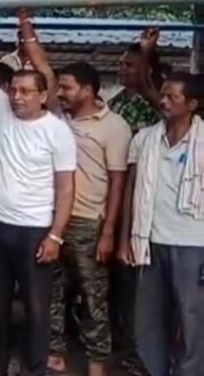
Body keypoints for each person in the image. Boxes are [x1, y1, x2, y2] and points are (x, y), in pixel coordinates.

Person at [0, 11, 77, 376]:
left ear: (43, 96)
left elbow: (66, 187)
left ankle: (34, 369)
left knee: (36, 308)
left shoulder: (57, 131)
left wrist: (55, 235)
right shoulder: (1, 110)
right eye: (13, 89)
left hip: (34, 230)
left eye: (26, 91)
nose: (17, 96)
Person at [47, 62, 131, 376]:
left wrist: (108, 232)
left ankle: (97, 365)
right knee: (52, 292)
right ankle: (54, 355)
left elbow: (118, 182)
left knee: (93, 299)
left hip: (89, 223)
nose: (60, 93)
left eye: (66, 87)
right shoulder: (59, 119)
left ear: (87, 90)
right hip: (55, 220)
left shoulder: (115, 126)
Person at [121, 71, 204, 376]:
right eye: (163, 95)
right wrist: (125, 239)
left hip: (195, 245)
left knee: (192, 321)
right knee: (148, 319)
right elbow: (131, 190)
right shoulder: (145, 139)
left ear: (192, 104)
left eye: (173, 97)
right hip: (150, 241)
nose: (164, 101)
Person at [108, 29, 164, 376]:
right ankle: (124, 345)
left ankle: (140, 351)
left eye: (129, 64)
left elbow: (147, 87)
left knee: (139, 285)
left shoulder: (155, 100)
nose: (122, 69)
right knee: (118, 283)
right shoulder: (115, 103)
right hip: (116, 198)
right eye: (121, 64)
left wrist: (146, 52)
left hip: (144, 202)